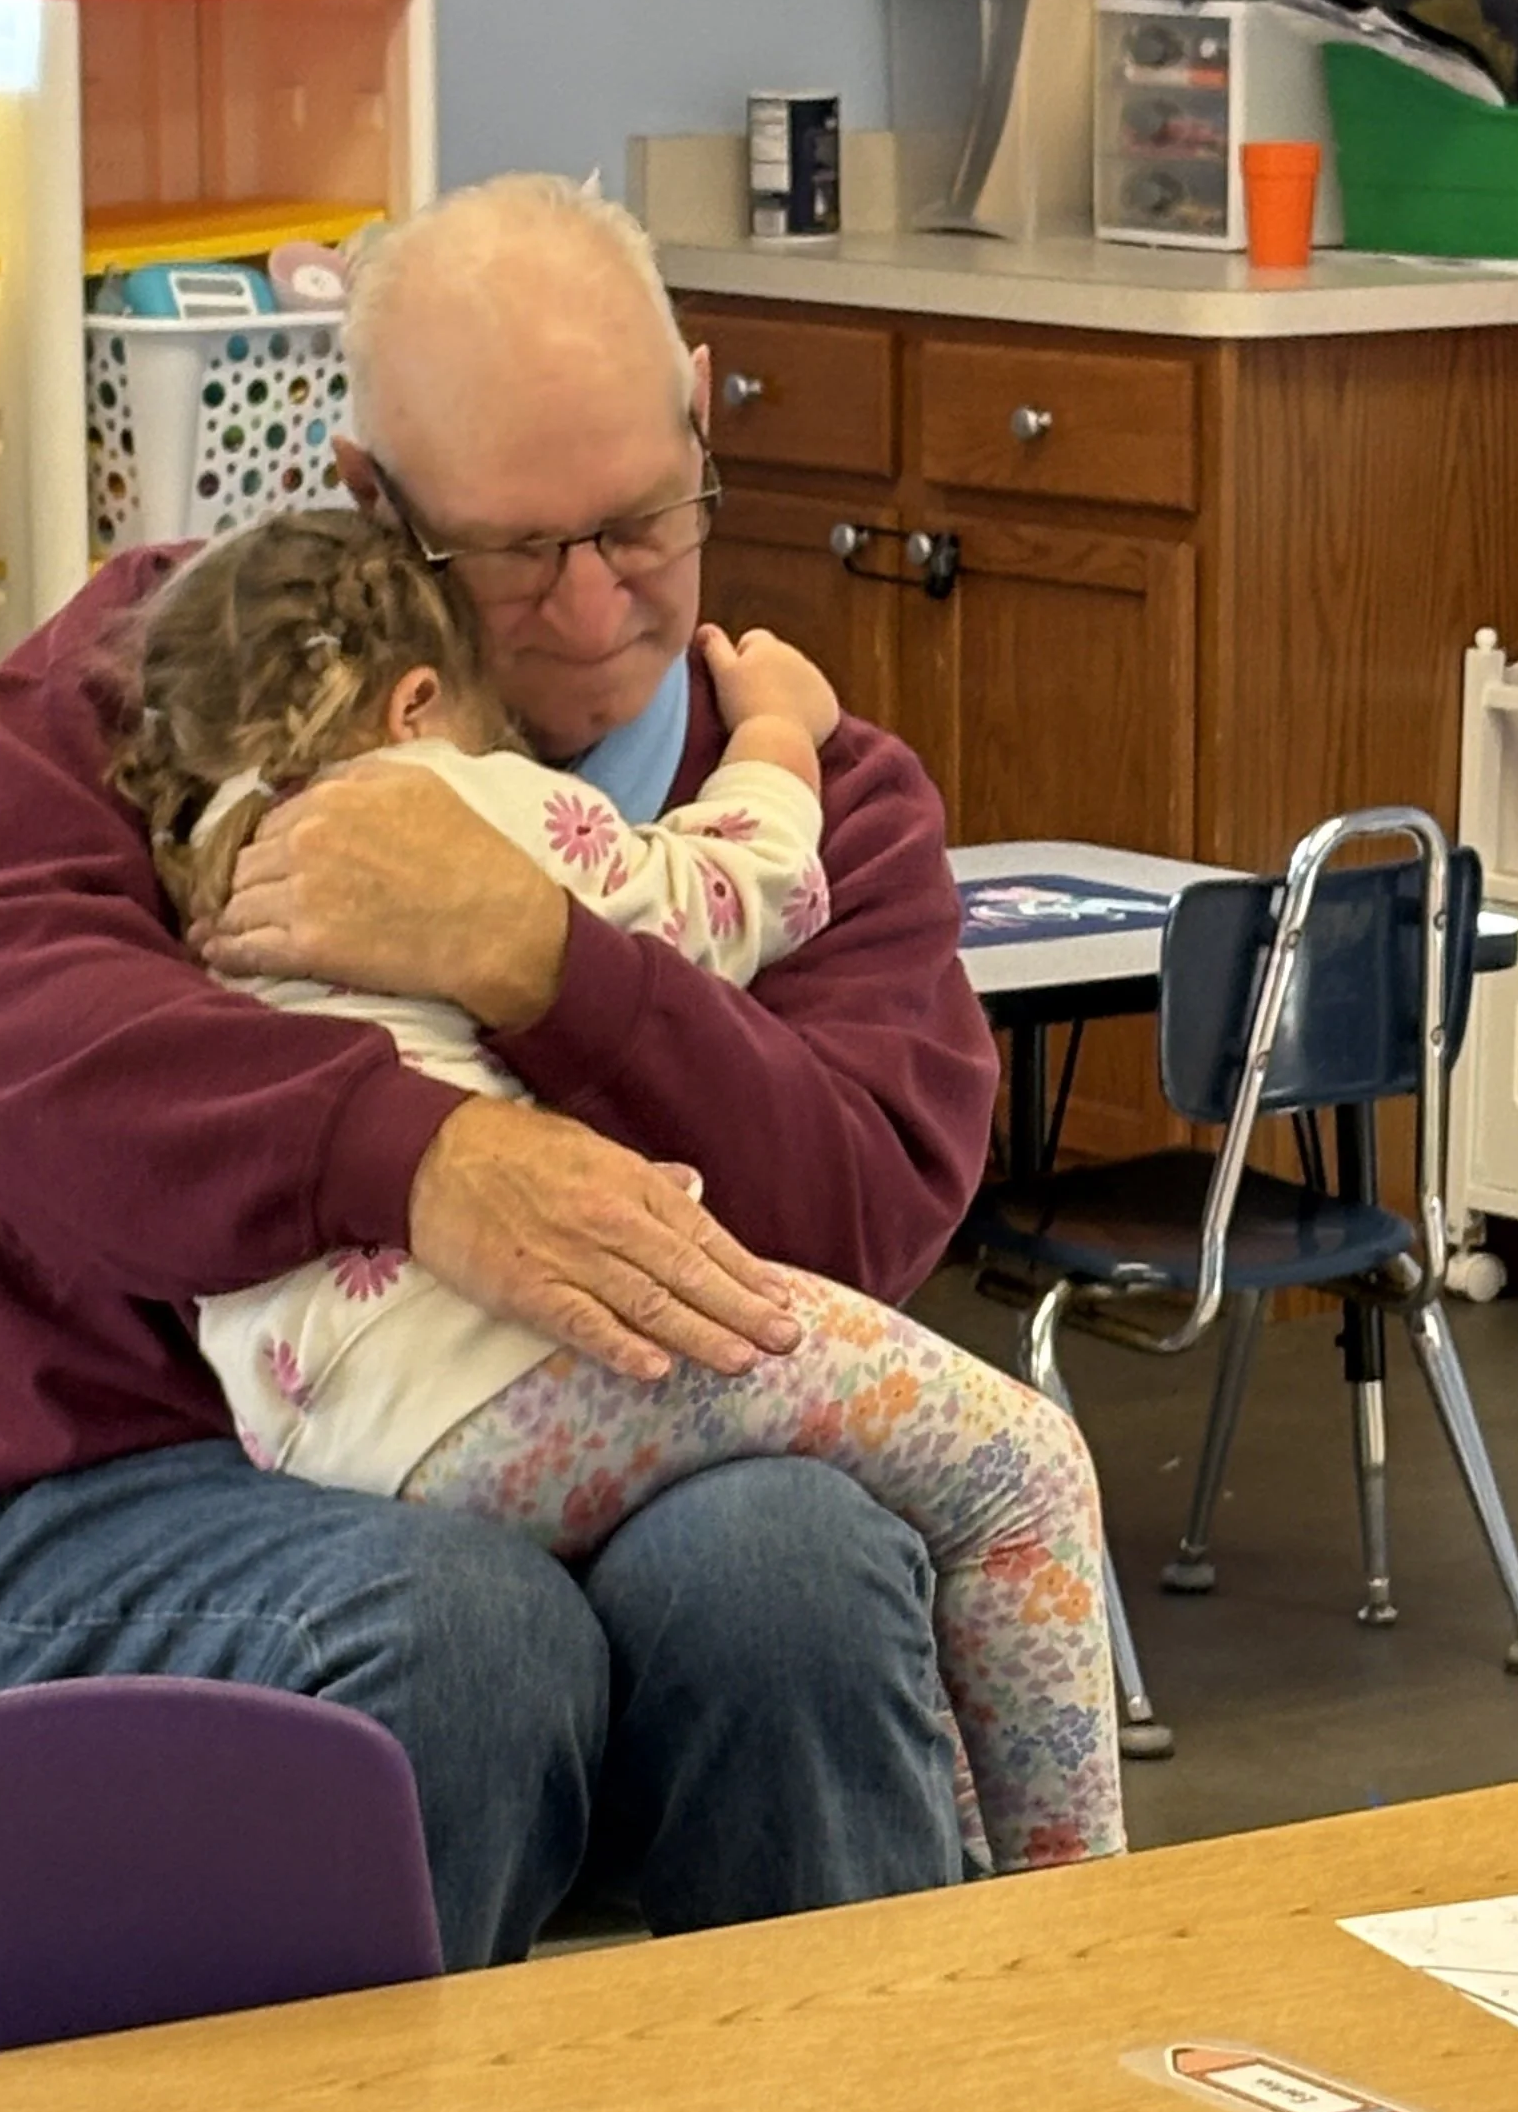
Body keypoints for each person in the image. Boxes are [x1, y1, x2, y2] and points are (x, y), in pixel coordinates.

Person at [0, 173, 1014, 1964]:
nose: (593, 605)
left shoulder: (820, 801)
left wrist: (540, 957)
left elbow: (860, 1212)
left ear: (701, 416)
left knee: (798, 1576)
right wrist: (411, 1156)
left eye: (639, 524)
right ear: (369, 499)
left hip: (643, 1465)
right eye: (511, 554)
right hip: (150, 1480)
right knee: (466, 1633)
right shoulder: (181, 669)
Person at [109, 506, 1121, 1875]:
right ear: (415, 701)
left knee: (887, 1499)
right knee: (1021, 1473)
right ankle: (1085, 1918)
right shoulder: (443, 800)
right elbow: (737, 892)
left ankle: (976, 1883)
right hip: (514, 1371)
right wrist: (781, 732)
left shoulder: (212, 876)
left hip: (339, 1441)